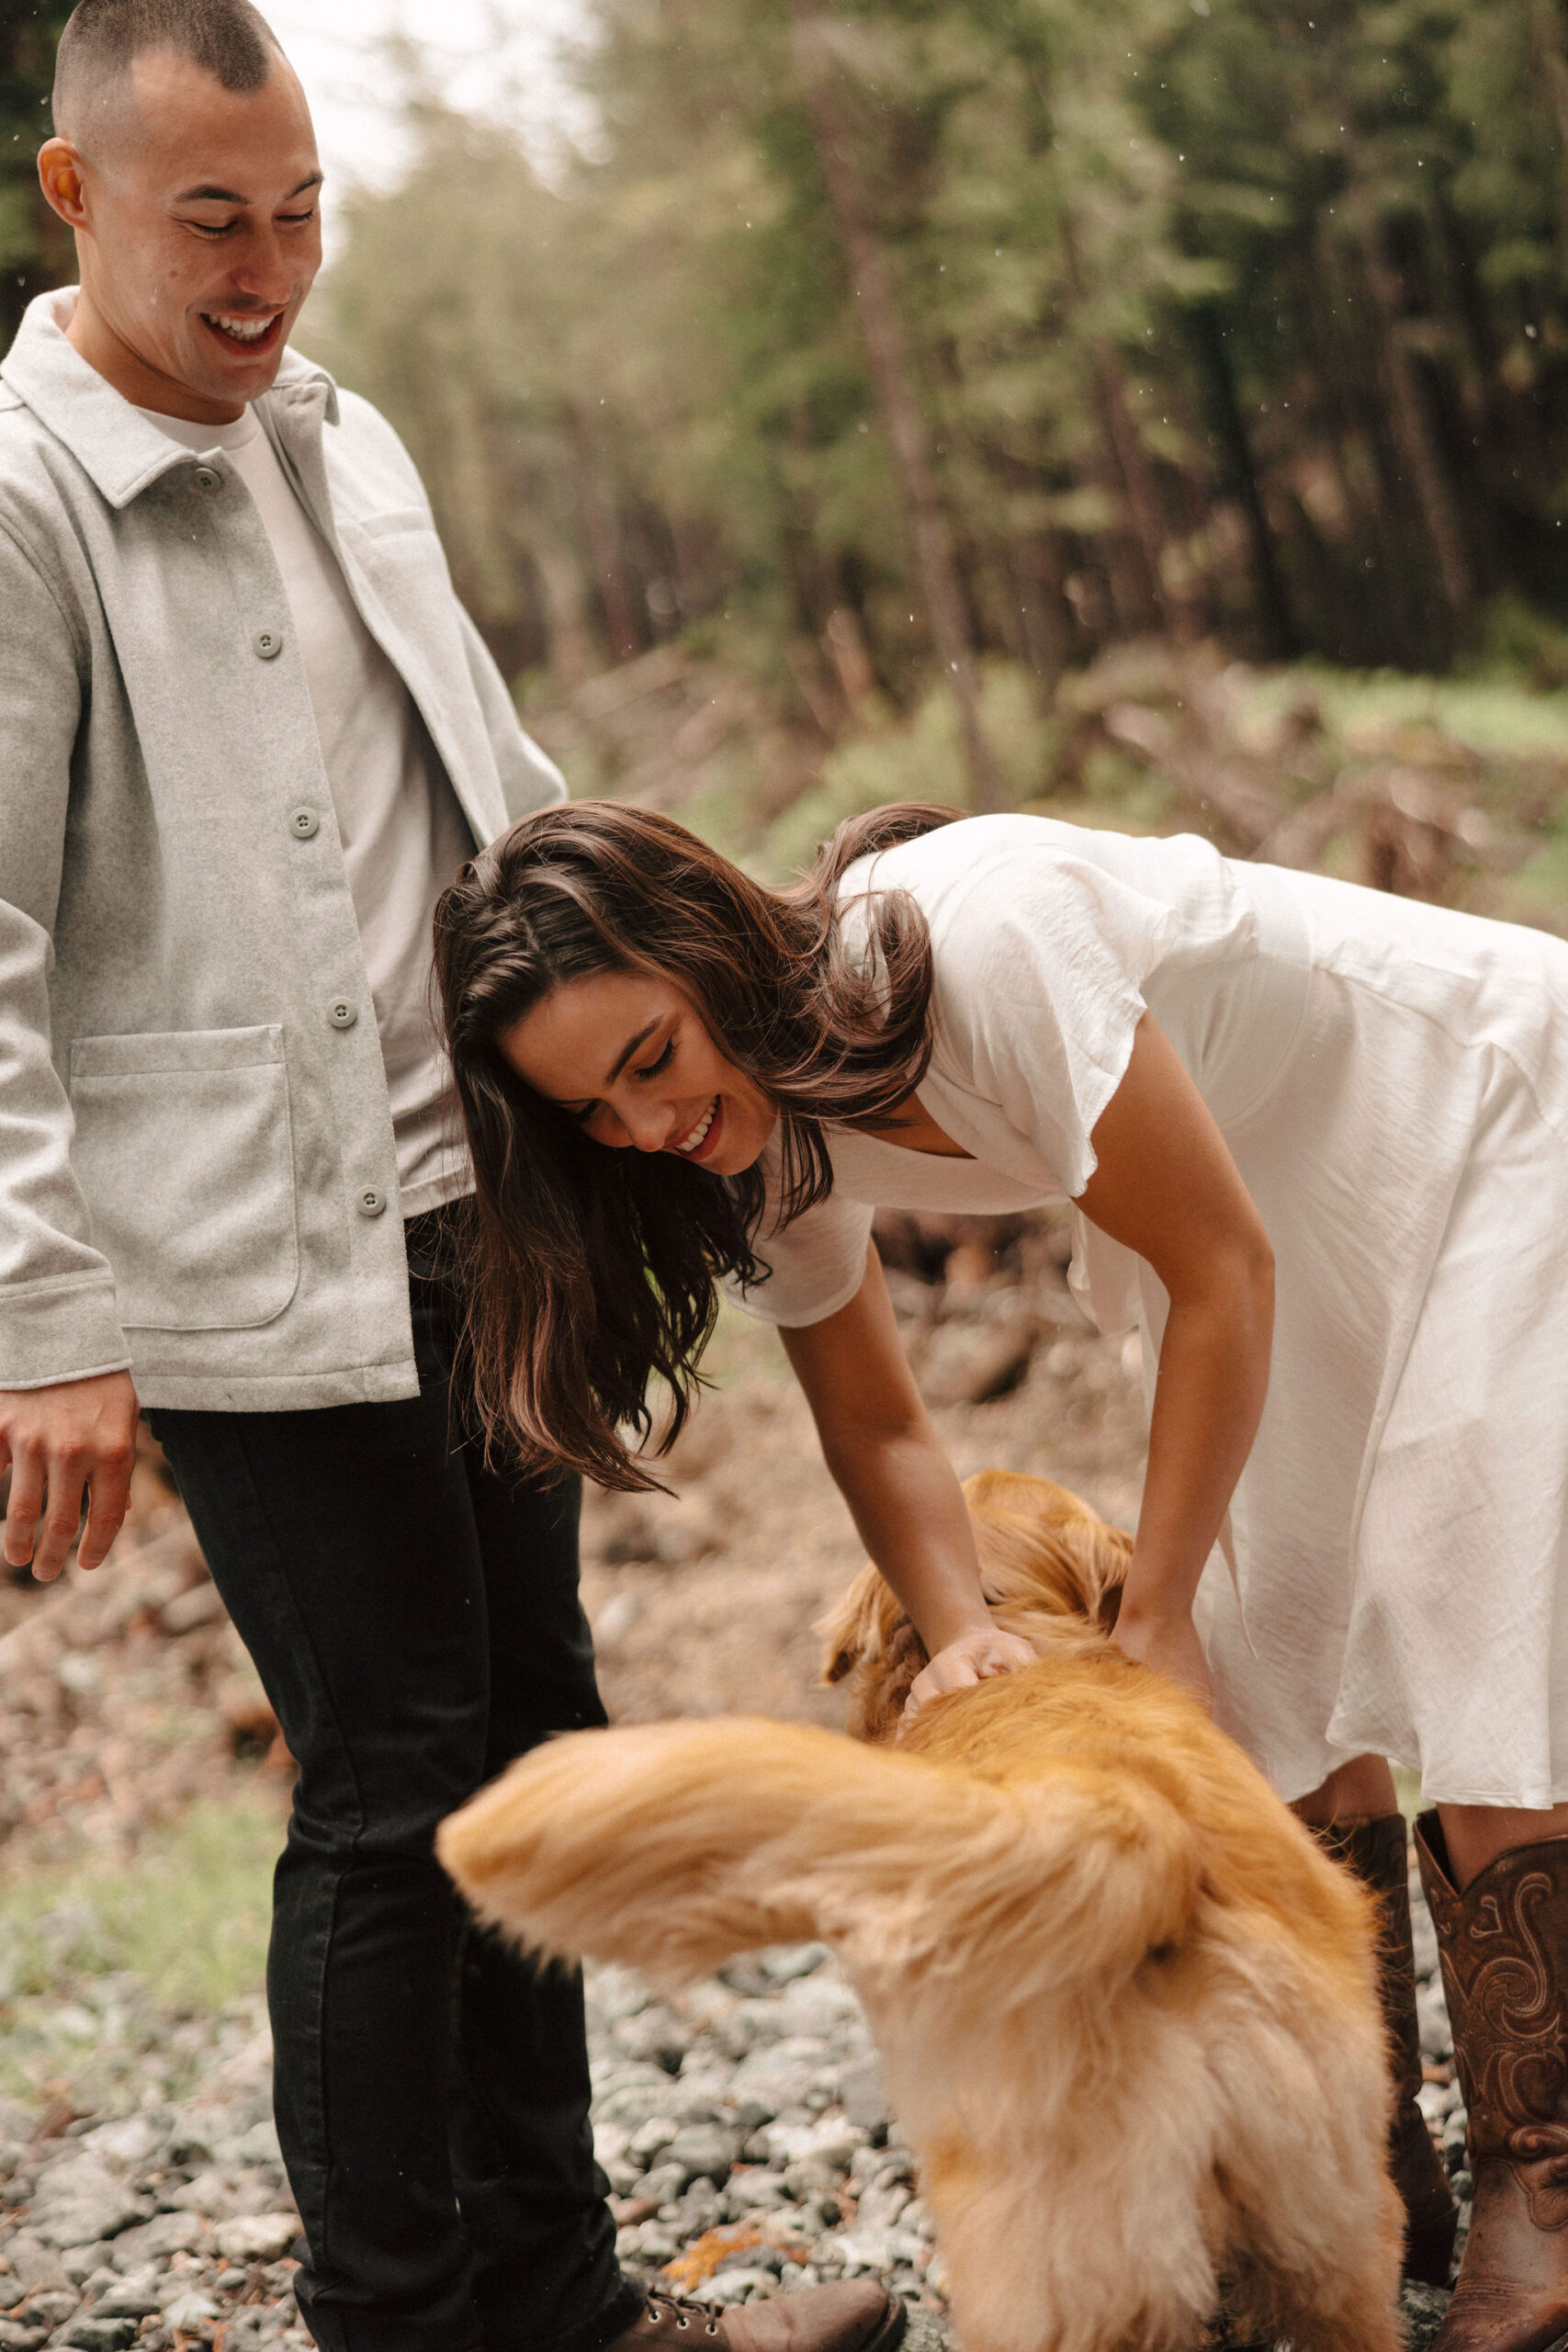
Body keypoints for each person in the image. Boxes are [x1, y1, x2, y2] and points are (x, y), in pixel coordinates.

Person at [0, 13, 905, 2352]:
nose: (273, 267)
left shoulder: (343, 431)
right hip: (233, 1251)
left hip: (479, 1217)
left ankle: (567, 2295)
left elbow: (496, 782)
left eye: (304, 210)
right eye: (217, 217)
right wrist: (47, 1314)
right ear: (75, 195)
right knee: (394, 1779)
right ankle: (404, 2318)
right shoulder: (20, 500)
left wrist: (709, 1033)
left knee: (537, 1746)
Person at [434, 795, 1568, 2352]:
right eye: (595, 1116)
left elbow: (1219, 1264)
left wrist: (1148, 1613)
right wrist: (962, 1629)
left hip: (1465, 1104)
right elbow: (878, 1418)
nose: (649, 1129)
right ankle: (1368, 2163)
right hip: (1250, 1200)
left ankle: (1543, 2184)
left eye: (651, 1060)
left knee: (1458, 1599)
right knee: (1276, 1647)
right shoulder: (758, 1145)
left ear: (703, 950)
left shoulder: (984, 940)